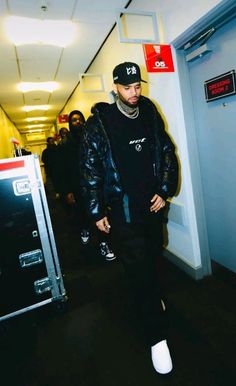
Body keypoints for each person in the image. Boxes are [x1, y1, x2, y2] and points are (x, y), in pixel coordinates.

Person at [80, 62, 179, 374]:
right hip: (122, 212)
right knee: (138, 269)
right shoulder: (101, 124)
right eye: (127, 88)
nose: (134, 93)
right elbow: (90, 170)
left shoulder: (150, 114)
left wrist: (164, 190)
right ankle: (156, 338)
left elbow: (166, 152)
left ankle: (153, 296)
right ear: (115, 88)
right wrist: (96, 211)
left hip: (152, 208)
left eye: (137, 86)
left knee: (152, 257)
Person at [58, 110, 116, 261]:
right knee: (82, 213)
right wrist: (67, 191)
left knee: (100, 213)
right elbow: (62, 170)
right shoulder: (65, 144)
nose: (77, 122)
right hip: (76, 186)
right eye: (73, 120)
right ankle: (84, 228)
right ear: (69, 124)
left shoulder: (92, 137)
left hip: (94, 184)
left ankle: (104, 243)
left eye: (79, 119)